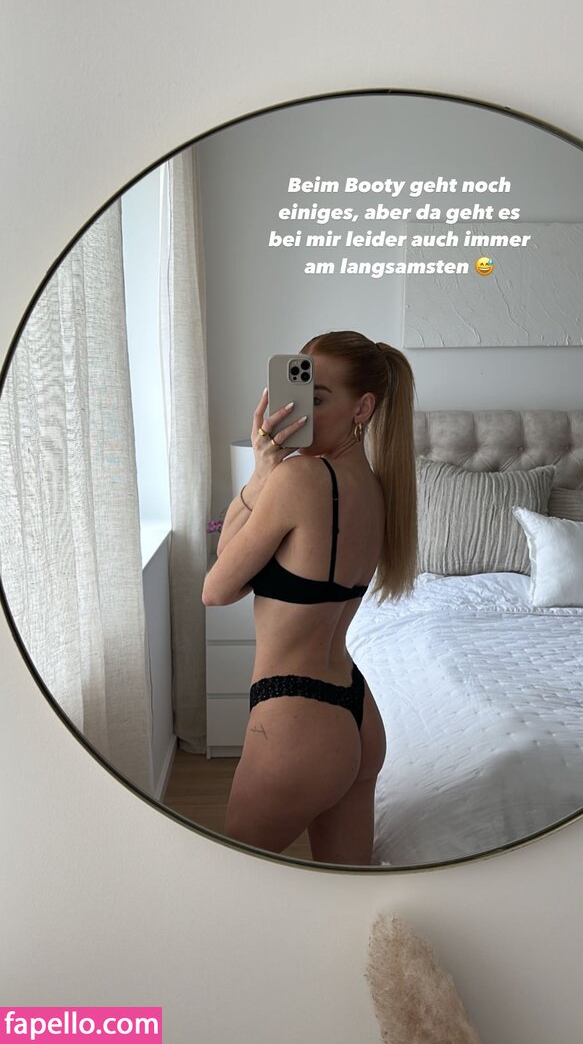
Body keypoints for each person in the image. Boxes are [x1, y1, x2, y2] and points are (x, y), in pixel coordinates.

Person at [202, 330, 417, 865]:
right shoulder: (375, 486)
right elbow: (233, 559)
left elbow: (217, 587)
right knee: (345, 895)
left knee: (233, 883)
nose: (298, 411)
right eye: (298, 394)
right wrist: (265, 473)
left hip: (296, 719)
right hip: (356, 712)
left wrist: (263, 475)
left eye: (318, 399)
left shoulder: (299, 478)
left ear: (362, 408)